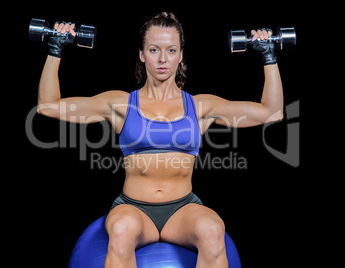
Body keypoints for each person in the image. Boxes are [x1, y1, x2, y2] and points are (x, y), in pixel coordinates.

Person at [37, 12, 283, 268]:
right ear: (142, 55)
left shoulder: (200, 107)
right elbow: (48, 106)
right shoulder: (121, 103)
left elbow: (271, 111)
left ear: (181, 55)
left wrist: (269, 56)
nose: (163, 59)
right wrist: (55, 49)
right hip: (134, 209)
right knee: (121, 229)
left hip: (182, 210)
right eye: (154, 50)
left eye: (171, 50)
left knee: (212, 229)